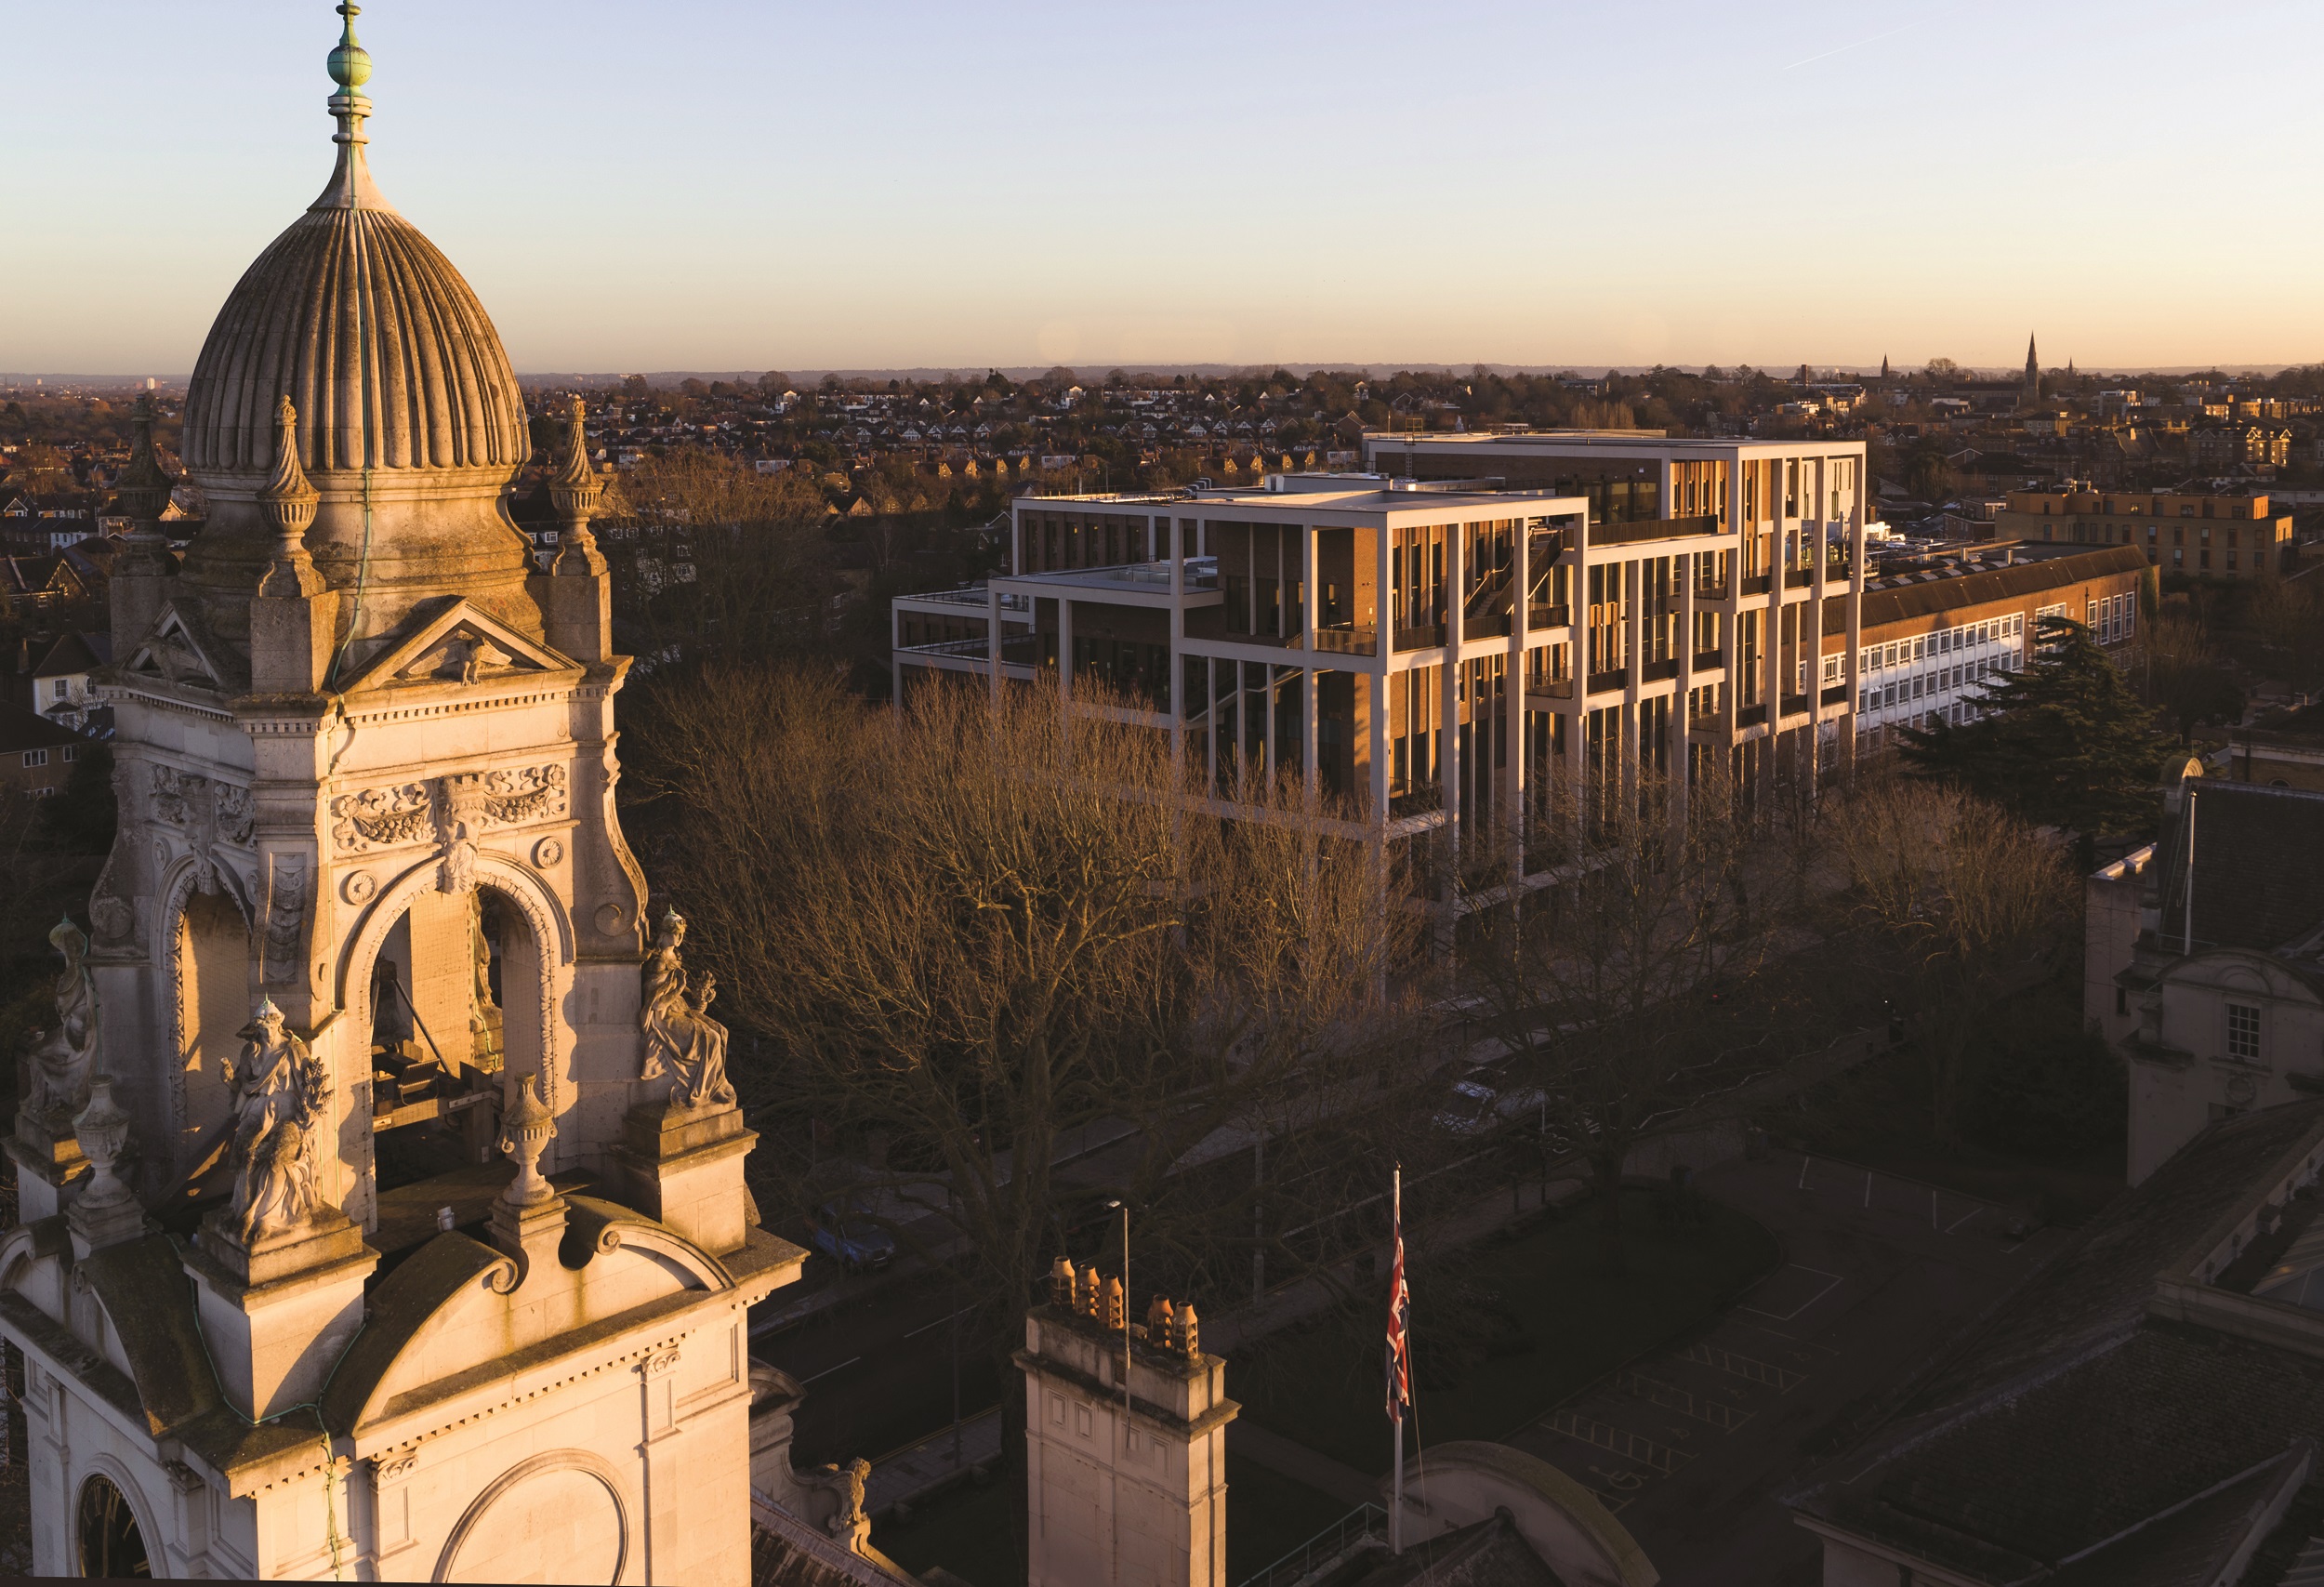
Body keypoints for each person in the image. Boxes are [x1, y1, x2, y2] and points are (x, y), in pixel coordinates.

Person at [639, 909, 736, 1110]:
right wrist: (681, 988)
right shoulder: (658, 963)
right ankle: (702, 1090)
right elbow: (657, 1004)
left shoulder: (675, 956)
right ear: (665, 934)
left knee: (722, 1032)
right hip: (666, 1018)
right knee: (711, 1038)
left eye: (682, 934)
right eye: (677, 933)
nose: (681, 938)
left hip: (680, 1010)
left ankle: (718, 1084)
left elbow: (679, 988)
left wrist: (700, 997)